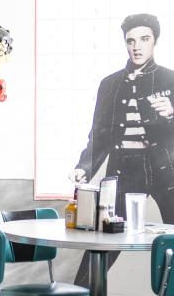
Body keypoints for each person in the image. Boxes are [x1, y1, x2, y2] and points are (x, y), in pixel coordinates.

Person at [73, 14, 174, 222]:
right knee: (109, 236)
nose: (137, 46)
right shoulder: (109, 84)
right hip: (124, 169)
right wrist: (84, 167)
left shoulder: (170, 79)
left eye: (144, 39)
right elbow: (99, 134)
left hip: (165, 168)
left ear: (155, 40)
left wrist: (172, 114)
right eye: (131, 40)